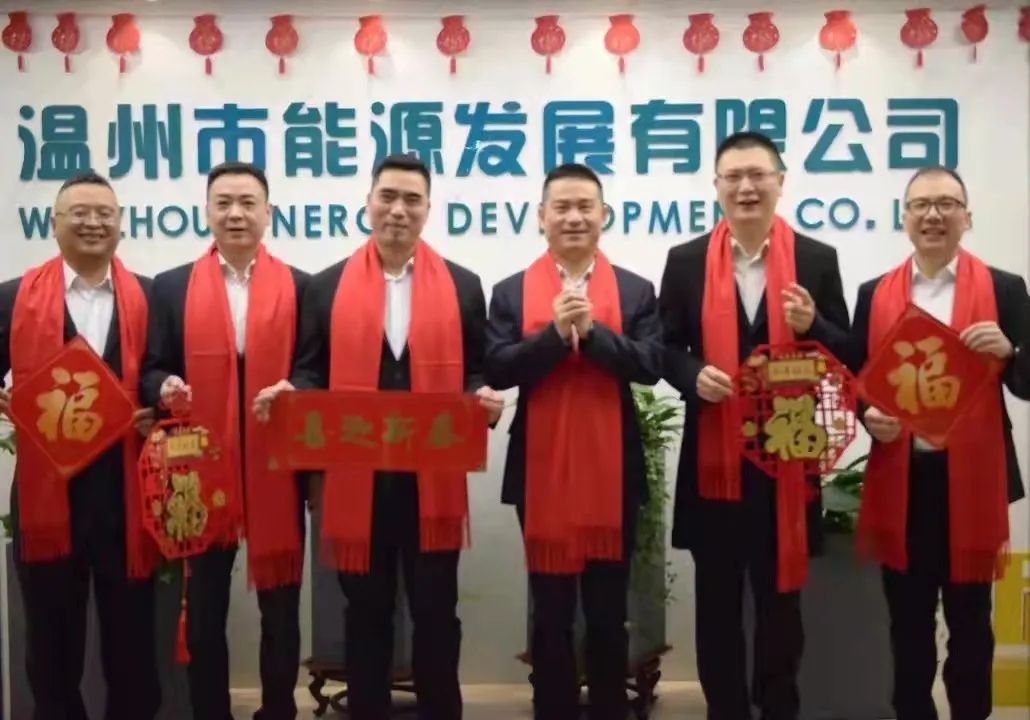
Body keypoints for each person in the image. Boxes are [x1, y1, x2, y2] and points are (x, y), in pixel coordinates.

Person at [256, 153, 503, 720]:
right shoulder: (326, 286)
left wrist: (483, 397)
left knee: (436, 612)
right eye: (387, 196)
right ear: (367, 203)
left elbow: (474, 370)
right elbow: (311, 369)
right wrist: (292, 390)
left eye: (412, 199)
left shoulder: (463, 285)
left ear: (428, 210)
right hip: (356, 481)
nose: (398, 209)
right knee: (365, 614)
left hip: (431, 482)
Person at [659, 131, 851, 720]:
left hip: (787, 460)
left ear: (780, 182)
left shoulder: (816, 259)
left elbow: (847, 354)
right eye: (733, 176)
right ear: (717, 186)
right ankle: (725, 710)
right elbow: (664, 348)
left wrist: (815, 324)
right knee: (717, 604)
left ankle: (779, 707)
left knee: (780, 603)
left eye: (757, 175)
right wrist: (692, 375)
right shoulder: (686, 261)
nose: (746, 187)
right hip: (713, 461)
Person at [850, 165, 1030, 720]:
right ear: (904, 218)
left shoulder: (1004, 288)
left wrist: (1011, 353)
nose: (933, 215)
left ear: (966, 217)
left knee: (971, 622)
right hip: (903, 479)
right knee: (907, 623)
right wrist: (867, 415)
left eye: (947, 204)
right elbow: (858, 381)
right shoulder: (874, 293)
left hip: (972, 479)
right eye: (921, 205)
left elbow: (1026, 384)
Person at [484, 162, 662, 720]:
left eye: (586, 207)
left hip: (614, 472)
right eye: (561, 207)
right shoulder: (510, 292)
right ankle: (553, 707)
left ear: (604, 215)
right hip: (541, 475)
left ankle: (609, 706)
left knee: (608, 610)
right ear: (541, 217)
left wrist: (594, 333)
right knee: (552, 609)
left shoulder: (634, 290)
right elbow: (499, 368)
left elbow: (650, 366)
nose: (574, 217)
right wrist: (555, 336)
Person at [140, 161, 309, 720]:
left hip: (275, 467)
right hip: (197, 467)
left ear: (269, 212)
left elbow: (314, 367)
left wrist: (294, 386)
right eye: (224, 203)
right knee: (205, 608)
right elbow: (150, 366)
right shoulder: (171, 287)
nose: (236, 214)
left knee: (280, 609)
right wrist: (164, 385)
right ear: (207, 212)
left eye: (248, 203)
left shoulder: (301, 287)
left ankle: (278, 709)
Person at [0, 172, 161, 720]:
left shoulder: (150, 297)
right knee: (51, 647)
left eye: (104, 213)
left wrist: (160, 408)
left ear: (120, 224)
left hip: (129, 497)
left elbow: (165, 376)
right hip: (47, 499)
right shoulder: (12, 299)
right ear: (54, 224)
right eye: (79, 213)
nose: (93, 223)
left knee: (133, 646)